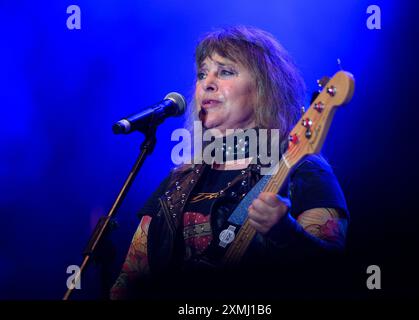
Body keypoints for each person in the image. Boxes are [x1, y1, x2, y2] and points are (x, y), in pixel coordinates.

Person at [110, 25, 349, 300]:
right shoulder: (178, 182)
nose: (206, 83)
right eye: (202, 74)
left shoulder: (304, 172)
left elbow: (335, 277)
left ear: (264, 88)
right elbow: (128, 281)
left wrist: (288, 234)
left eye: (225, 71)